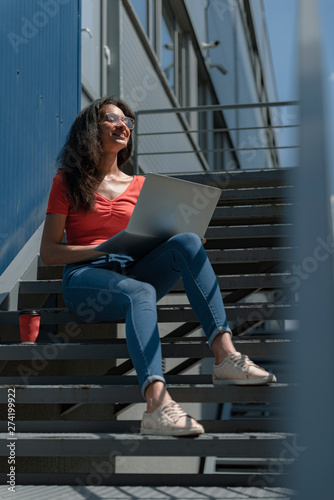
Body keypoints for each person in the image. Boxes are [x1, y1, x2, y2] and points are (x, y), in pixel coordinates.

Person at [40, 96, 276, 437]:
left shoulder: (141, 185)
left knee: (188, 242)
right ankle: (156, 405)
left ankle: (225, 355)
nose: (123, 126)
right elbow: (49, 253)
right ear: (92, 127)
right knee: (141, 291)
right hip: (86, 281)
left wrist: (177, 233)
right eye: (112, 118)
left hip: (134, 270)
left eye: (128, 122)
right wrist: (100, 248)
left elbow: (151, 236)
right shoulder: (67, 181)